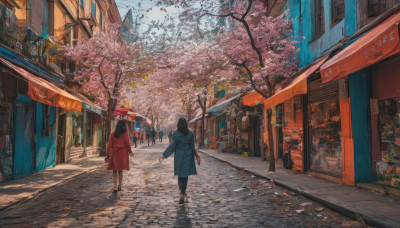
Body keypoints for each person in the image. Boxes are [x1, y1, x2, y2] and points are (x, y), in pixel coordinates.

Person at [159, 118, 200, 204]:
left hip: (179, 155)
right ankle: (183, 192)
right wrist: (196, 156)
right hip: (188, 155)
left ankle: (181, 192)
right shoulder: (191, 133)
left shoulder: (176, 133)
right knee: (185, 175)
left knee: (180, 175)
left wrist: (164, 155)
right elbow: (192, 147)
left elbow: (173, 146)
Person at [106, 120, 134, 193]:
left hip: (115, 153)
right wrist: (130, 152)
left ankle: (115, 187)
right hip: (123, 153)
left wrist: (107, 154)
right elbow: (127, 144)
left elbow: (109, 145)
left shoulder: (113, 134)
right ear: (124, 126)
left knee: (114, 170)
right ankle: (120, 186)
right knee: (120, 170)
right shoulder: (125, 133)